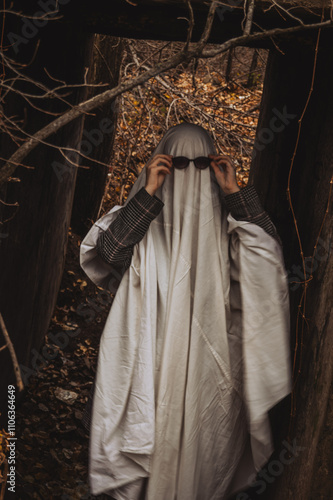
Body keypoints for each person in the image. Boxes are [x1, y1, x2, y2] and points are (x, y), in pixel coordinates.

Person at [80, 122, 291, 500]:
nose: (189, 173)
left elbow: (268, 258)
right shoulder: (142, 220)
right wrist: (148, 192)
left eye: (200, 164)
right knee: (152, 437)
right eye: (179, 163)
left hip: (211, 368)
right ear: (162, 163)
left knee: (202, 457)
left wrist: (234, 193)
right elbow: (110, 254)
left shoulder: (230, 229)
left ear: (213, 166)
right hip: (152, 356)